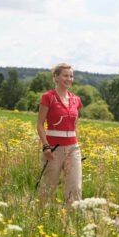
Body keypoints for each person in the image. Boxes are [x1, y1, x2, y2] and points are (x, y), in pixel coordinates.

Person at [36, 63, 83, 207]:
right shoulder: (48, 97)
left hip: (73, 148)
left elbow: (74, 124)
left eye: (71, 76)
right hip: (53, 149)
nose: (69, 79)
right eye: (65, 75)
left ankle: (72, 223)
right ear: (56, 77)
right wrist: (46, 146)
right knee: (49, 187)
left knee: (75, 188)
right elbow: (39, 124)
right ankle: (42, 218)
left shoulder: (76, 100)